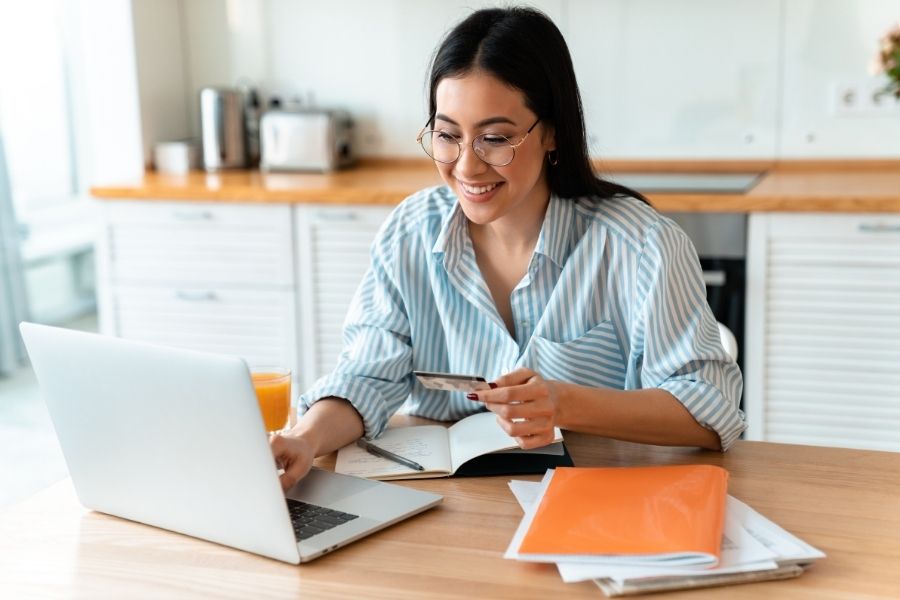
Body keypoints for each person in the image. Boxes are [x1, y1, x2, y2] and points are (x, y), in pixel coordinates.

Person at [271, 6, 745, 490]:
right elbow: (367, 376)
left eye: (495, 139)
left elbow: (711, 409)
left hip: (593, 501)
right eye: (448, 136)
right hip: (448, 508)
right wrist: (306, 439)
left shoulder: (642, 246)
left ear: (553, 131)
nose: (467, 168)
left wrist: (563, 403)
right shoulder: (410, 231)